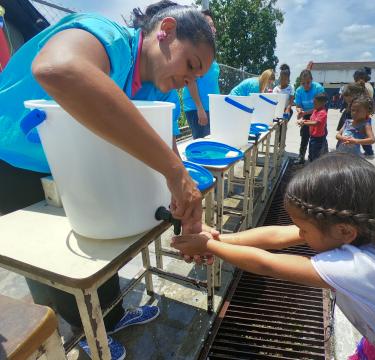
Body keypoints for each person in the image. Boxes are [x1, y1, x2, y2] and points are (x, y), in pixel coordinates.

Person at [0, 1, 215, 358]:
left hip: (63, 165)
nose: (187, 81)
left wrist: (192, 213)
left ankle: (111, 318)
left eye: (195, 78)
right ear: (166, 30)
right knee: (49, 261)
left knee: (95, 240)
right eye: (190, 65)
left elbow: (166, 145)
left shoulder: (156, 88)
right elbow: (57, 69)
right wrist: (176, 174)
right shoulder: (106, 36)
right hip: (11, 159)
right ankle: (83, 331)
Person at [171, 153, 375, 360]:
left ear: (344, 231)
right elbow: (278, 236)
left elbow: (266, 264)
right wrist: (218, 237)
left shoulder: (363, 269)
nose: (298, 235)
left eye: (304, 229)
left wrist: (207, 247)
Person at [182, 9, 219, 139]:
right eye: (209, 25)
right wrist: (200, 108)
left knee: (211, 144)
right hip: (197, 108)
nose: (213, 28)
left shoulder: (210, 54)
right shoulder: (195, 51)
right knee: (202, 148)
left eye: (213, 25)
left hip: (210, 108)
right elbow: (190, 80)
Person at [294, 69, 325, 165]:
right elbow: (298, 105)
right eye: (303, 83)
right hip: (306, 114)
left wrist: (304, 113)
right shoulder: (299, 91)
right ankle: (301, 156)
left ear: (312, 79)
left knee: (319, 136)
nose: (306, 86)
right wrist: (299, 111)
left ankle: (320, 157)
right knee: (304, 136)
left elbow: (321, 105)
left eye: (308, 82)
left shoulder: (318, 88)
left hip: (318, 112)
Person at [297, 94, 328, 162]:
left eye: (315, 103)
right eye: (313, 102)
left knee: (315, 156)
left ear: (322, 103)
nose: (314, 104)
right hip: (313, 137)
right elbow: (312, 120)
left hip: (318, 139)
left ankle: (314, 169)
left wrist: (303, 123)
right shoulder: (315, 110)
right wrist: (305, 120)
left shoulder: (322, 112)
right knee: (311, 154)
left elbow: (316, 123)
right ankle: (311, 166)